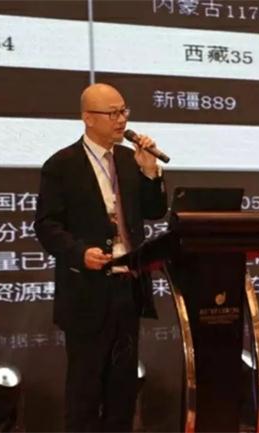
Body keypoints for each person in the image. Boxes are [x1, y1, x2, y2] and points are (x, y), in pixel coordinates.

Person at [34, 83, 168, 432]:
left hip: (129, 285)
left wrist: (150, 171)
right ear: (88, 118)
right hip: (87, 290)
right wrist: (79, 253)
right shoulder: (62, 164)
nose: (121, 120)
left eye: (124, 111)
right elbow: (47, 224)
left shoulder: (128, 159)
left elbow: (155, 211)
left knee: (122, 389)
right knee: (86, 388)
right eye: (112, 113)